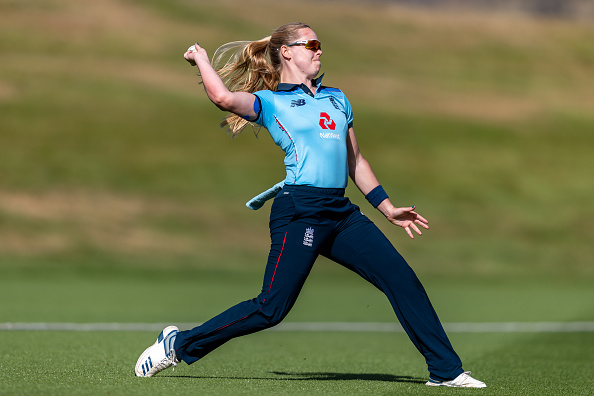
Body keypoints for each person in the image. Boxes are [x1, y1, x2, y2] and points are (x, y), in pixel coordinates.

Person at [134, 22, 486, 388]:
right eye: (311, 44)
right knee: (271, 309)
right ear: (286, 51)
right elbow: (223, 98)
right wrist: (202, 60)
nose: (319, 50)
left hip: (342, 214)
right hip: (299, 211)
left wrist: (387, 208)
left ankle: (445, 371)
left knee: (402, 280)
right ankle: (179, 344)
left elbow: (356, 161)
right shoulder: (271, 102)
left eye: (320, 44)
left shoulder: (338, 98)